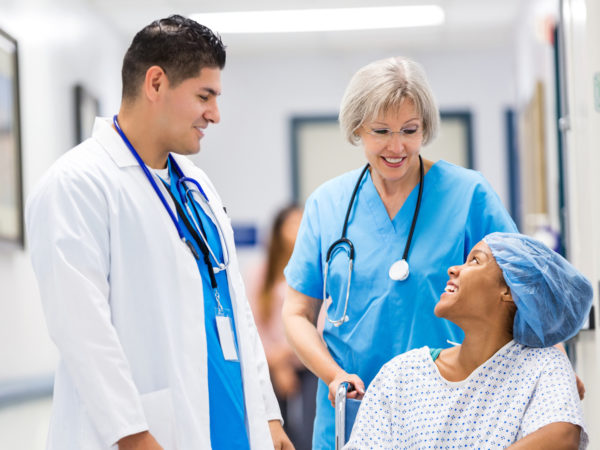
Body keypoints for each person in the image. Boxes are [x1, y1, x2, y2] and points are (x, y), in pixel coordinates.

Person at [26, 15, 292, 450]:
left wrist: (266, 416)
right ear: (155, 83)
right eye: (204, 96)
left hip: (231, 427)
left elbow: (236, 308)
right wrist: (131, 433)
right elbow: (82, 328)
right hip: (149, 434)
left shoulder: (196, 185)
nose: (215, 114)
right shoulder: (78, 184)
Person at [282, 56, 519, 448]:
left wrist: (550, 363)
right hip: (352, 410)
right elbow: (296, 313)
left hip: (445, 407)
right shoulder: (328, 204)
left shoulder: (468, 195)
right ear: (357, 127)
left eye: (410, 130)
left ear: (425, 127)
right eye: (381, 131)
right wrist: (332, 375)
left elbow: (523, 285)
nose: (397, 147)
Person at [345, 232, 592, 449]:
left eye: (475, 260)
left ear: (510, 290)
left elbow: (561, 437)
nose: (453, 269)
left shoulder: (543, 366)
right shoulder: (401, 374)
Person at [247, 205, 317, 450]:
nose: (298, 230)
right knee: (274, 432)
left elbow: (319, 321)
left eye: (302, 223)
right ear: (278, 231)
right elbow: (252, 323)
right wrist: (276, 363)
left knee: (310, 430)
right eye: (292, 224)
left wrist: (288, 355)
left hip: (308, 361)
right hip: (269, 365)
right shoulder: (260, 273)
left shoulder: (316, 271)